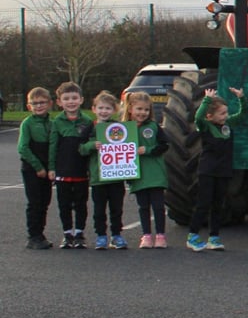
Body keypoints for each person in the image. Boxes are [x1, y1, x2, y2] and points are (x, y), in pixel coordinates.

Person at [188, 87, 246, 252]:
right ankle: (192, 235)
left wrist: (241, 98)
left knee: (218, 205)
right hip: (207, 171)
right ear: (210, 116)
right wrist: (206, 100)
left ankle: (214, 237)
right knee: (203, 204)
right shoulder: (205, 126)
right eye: (221, 114)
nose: (225, 116)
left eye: (226, 113)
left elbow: (242, 115)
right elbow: (198, 116)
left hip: (223, 171)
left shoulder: (227, 125)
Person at [48, 82, 94, 249]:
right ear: (59, 102)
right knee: (64, 204)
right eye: (66, 99)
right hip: (62, 171)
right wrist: (52, 168)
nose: (71, 102)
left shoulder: (88, 121)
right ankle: (67, 234)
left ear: (81, 99)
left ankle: (80, 233)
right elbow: (53, 147)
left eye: (74, 98)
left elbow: (91, 147)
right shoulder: (57, 122)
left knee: (81, 204)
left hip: (81, 171)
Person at [123, 91, 170, 249]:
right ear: (130, 109)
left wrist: (148, 150)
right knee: (143, 206)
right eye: (139, 109)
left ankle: (161, 236)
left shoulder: (154, 127)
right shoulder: (123, 129)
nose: (142, 113)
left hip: (155, 174)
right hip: (138, 175)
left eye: (146, 110)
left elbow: (164, 145)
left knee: (158, 206)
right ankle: (146, 236)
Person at [83, 91, 128, 250]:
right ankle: (101, 235)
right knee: (99, 210)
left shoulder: (119, 127)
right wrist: (91, 145)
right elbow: (81, 148)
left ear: (114, 110)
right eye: (100, 108)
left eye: (108, 108)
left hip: (116, 177)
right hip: (98, 177)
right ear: (94, 109)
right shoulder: (90, 127)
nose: (104, 111)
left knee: (117, 209)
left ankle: (116, 235)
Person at [17, 87, 54, 249]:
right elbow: (23, 148)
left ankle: (41, 233)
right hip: (32, 168)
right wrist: (38, 167)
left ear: (50, 104)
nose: (39, 106)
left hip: (47, 169)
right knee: (35, 202)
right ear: (28, 106)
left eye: (42, 102)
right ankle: (33, 236)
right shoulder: (28, 124)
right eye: (35, 103)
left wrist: (51, 168)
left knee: (45, 201)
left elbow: (54, 147)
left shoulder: (52, 123)